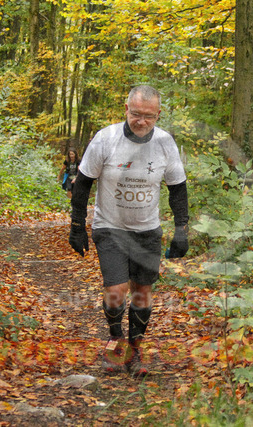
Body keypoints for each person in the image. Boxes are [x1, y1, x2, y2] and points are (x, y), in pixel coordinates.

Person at [68, 85, 189, 377]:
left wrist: (182, 229)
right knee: (116, 291)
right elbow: (83, 183)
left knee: (143, 293)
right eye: (136, 114)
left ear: (158, 114)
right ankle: (116, 340)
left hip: (147, 230)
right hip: (110, 227)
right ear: (126, 109)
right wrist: (77, 226)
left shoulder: (165, 143)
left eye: (149, 116)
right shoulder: (105, 139)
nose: (141, 121)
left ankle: (136, 349)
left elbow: (177, 188)